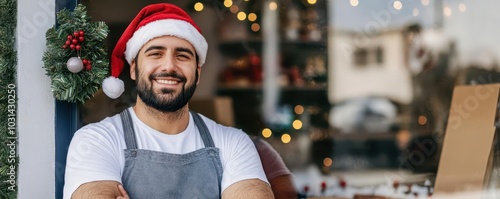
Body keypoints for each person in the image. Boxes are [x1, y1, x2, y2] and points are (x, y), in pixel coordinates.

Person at [63, 3, 273, 199]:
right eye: (155, 54)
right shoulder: (97, 140)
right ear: (134, 68)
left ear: (197, 72)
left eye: (182, 56)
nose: (169, 66)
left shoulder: (234, 143)